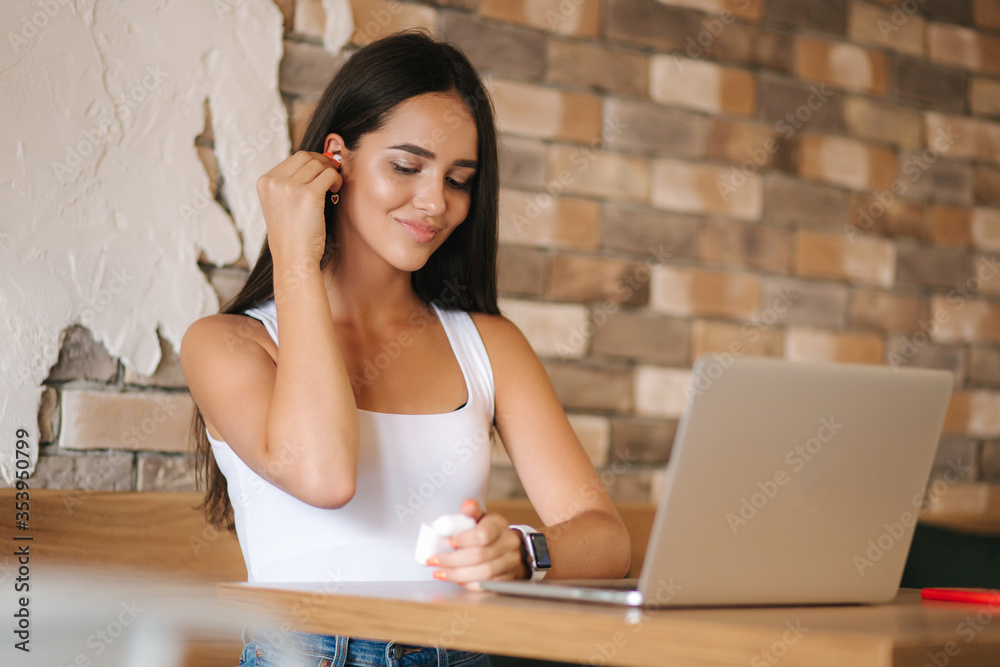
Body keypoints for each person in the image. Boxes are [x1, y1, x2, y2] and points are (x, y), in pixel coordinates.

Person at [180, 28, 630, 667]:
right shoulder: (227, 344)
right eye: (406, 165)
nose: (435, 203)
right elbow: (324, 475)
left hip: (476, 649)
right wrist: (295, 261)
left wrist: (526, 554)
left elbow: (605, 537)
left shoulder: (487, 343)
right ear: (335, 159)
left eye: (459, 179)